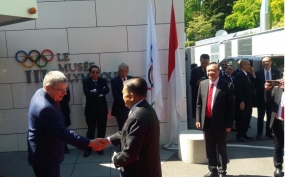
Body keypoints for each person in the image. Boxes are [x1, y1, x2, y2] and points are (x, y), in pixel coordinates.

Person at [27, 71, 108, 177]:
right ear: (47, 87)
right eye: (61, 90)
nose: (65, 93)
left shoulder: (40, 92)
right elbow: (62, 133)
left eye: (66, 89)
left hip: (47, 150)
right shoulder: (45, 108)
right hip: (46, 156)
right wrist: (91, 143)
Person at [100, 78, 162, 177]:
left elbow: (130, 154)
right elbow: (128, 132)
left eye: (123, 93)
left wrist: (116, 159)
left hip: (139, 172)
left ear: (132, 96)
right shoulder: (146, 109)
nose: (123, 97)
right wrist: (108, 140)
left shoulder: (137, 117)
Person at [196, 62, 234, 177]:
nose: (210, 73)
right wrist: (198, 119)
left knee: (221, 147)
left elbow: (231, 108)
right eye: (208, 71)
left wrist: (229, 124)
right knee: (209, 147)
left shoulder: (227, 85)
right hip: (206, 121)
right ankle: (213, 170)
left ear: (218, 71)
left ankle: (222, 171)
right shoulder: (203, 84)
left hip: (221, 123)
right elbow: (199, 104)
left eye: (213, 70)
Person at [82, 65, 110, 157]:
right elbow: (87, 93)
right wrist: (100, 93)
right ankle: (89, 148)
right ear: (90, 73)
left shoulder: (103, 81)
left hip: (102, 110)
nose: (95, 74)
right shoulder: (86, 81)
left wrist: (94, 91)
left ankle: (100, 147)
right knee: (91, 130)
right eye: (93, 72)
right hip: (90, 110)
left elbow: (107, 90)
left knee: (101, 130)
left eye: (97, 72)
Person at [255, 56, 280, 139]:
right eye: (263, 62)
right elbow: (256, 85)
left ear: (271, 62)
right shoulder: (258, 73)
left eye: (266, 61)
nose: (265, 63)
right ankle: (259, 133)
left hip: (272, 98)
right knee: (260, 116)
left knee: (270, 116)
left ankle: (269, 132)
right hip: (261, 98)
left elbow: (278, 84)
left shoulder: (276, 72)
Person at [265, 76, 284, 177]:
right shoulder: (276, 89)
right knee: (278, 145)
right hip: (278, 120)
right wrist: (267, 91)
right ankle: (278, 167)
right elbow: (268, 101)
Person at [233, 59, 256, 143]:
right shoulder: (239, 75)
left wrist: (253, 74)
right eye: (248, 64)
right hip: (242, 101)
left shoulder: (248, 74)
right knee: (241, 119)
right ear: (243, 65)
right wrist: (241, 101)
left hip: (249, 101)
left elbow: (254, 84)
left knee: (247, 118)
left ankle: (244, 133)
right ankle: (240, 135)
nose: (250, 66)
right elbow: (239, 89)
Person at [111, 63, 133, 131]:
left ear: (128, 71)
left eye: (125, 71)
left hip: (131, 108)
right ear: (119, 72)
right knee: (122, 128)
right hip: (120, 109)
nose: (124, 73)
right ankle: (123, 141)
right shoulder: (114, 81)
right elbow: (116, 96)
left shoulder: (132, 79)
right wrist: (127, 101)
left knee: (131, 127)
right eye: (122, 71)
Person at [190, 54, 210, 119]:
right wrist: (197, 83)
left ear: (209, 61)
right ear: (200, 61)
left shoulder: (212, 70)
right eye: (202, 63)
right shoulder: (195, 70)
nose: (204, 64)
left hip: (209, 95)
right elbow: (191, 82)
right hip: (198, 95)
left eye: (206, 63)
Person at [59, 87, 71, 154]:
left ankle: (65, 147)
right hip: (55, 110)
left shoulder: (65, 87)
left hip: (64, 110)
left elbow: (67, 99)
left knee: (64, 130)